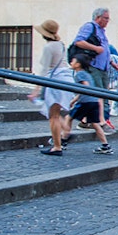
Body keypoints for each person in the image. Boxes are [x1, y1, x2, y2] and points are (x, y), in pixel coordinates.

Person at [30, 20, 75, 156]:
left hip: (55, 80)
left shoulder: (48, 47)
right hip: (65, 79)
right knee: (56, 112)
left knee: (53, 116)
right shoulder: (60, 45)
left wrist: (36, 90)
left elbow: (44, 69)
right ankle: (66, 131)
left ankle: (57, 146)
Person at [65, 53, 112, 155]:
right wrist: (73, 101)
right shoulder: (87, 74)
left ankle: (64, 140)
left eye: (73, 61)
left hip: (85, 102)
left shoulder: (80, 74)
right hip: (93, 101)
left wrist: (76, 100)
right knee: (95, 123)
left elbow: (85, 87)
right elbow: (84, 89)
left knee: (68, 118)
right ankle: (105, 145)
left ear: (78, 64)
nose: (71, 63)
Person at [72, 7, 111, 126]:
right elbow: (78, 41)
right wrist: (95, 49)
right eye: (106, 18)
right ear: (98, 17)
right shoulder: (90, 26)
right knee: (99, 94)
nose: (108, 21)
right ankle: (100, 121)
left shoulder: (102, 31)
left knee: (103, 94)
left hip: (103, 68)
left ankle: (92, 120)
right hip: (94, 66)